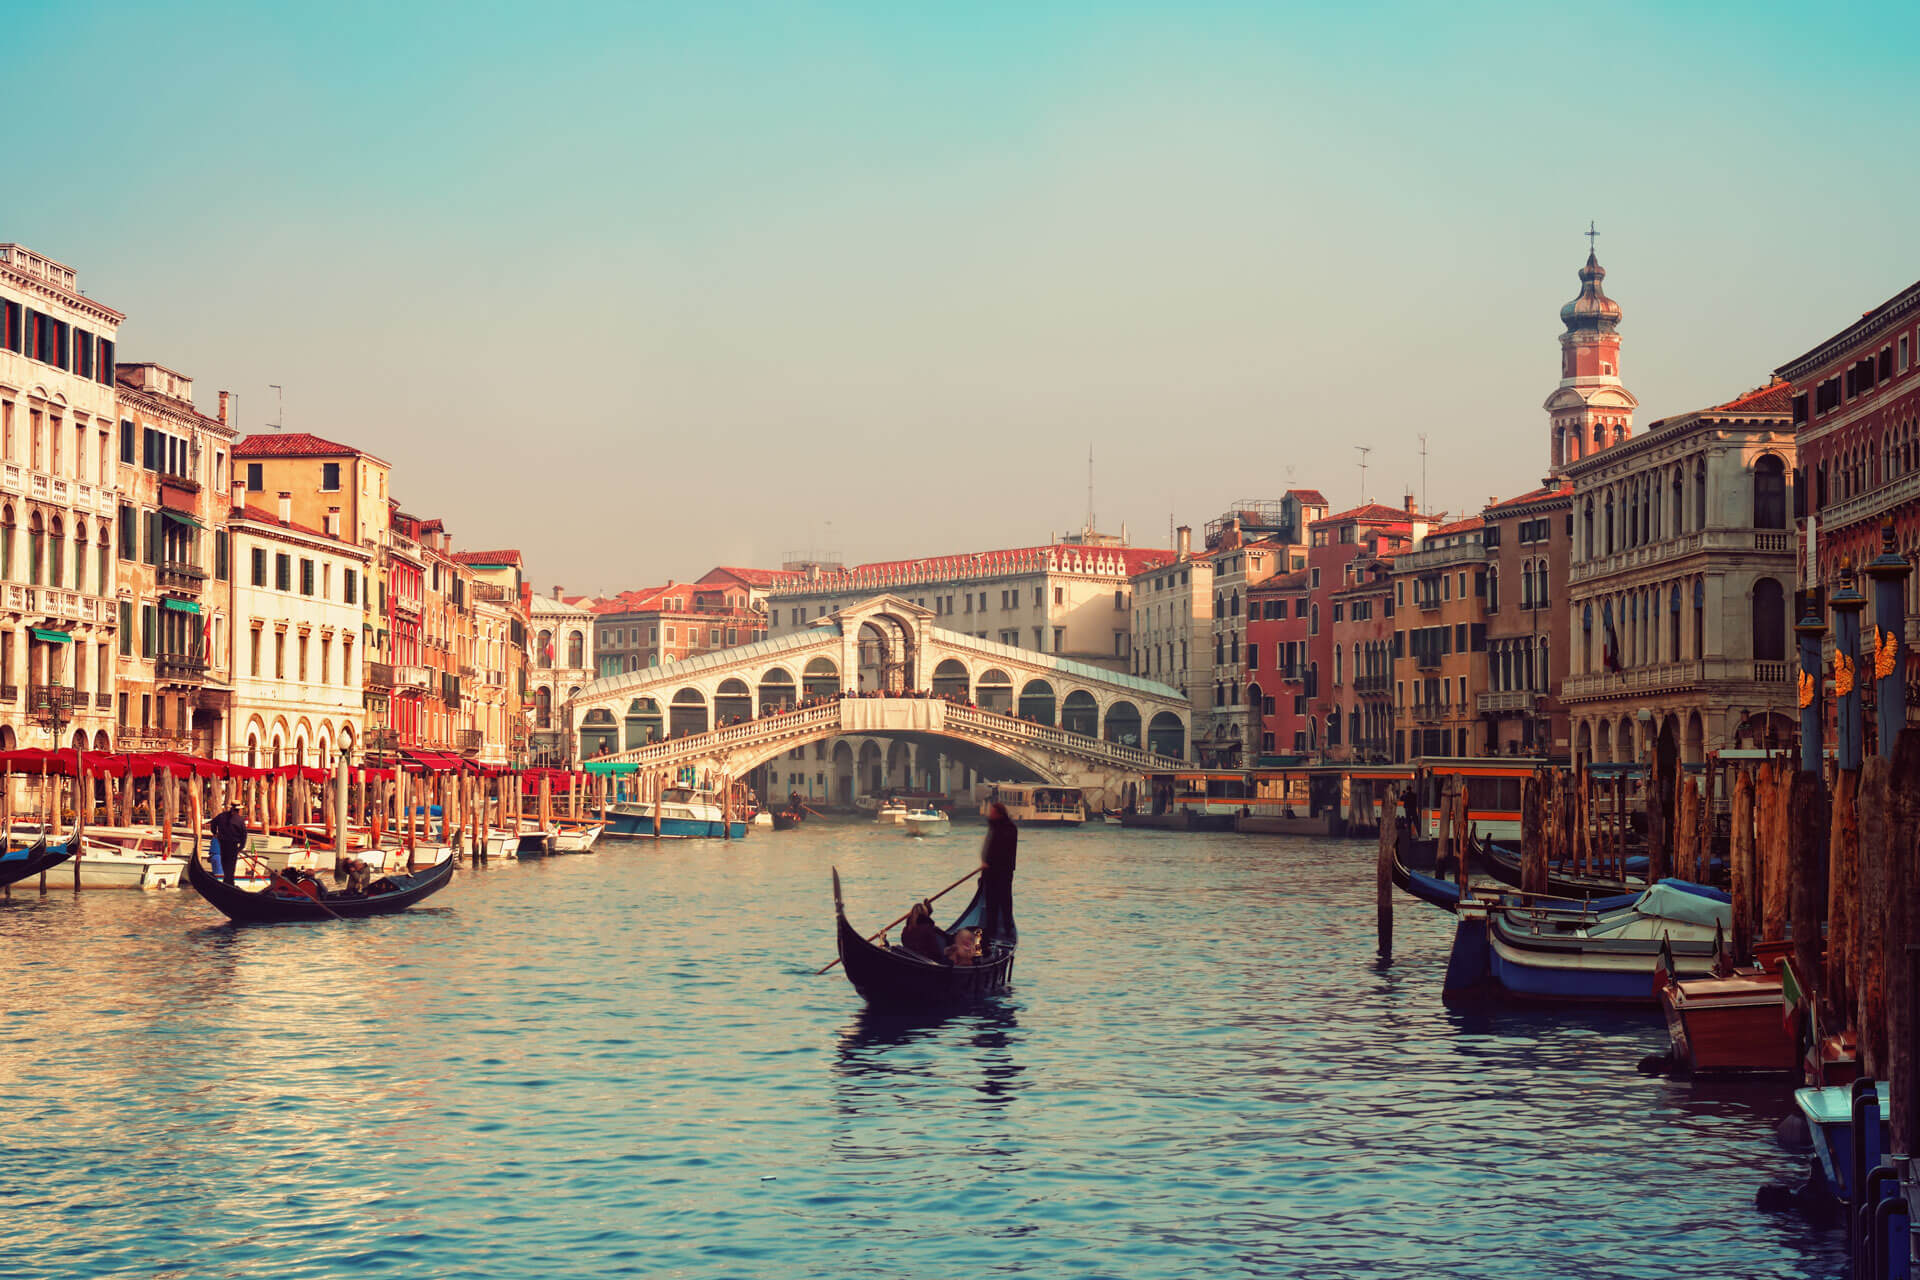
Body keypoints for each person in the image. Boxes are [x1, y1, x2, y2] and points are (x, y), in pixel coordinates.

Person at [978, 802, 1017, 950]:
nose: (990, 814)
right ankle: (990, 931)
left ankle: (1007, 929)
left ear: (1000, 813)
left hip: (1003, 871)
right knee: (991, 903)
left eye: (993, 812)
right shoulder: (994, 827)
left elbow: (1003, 849)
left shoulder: (1009, 829)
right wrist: (984, 861)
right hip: (989, 871)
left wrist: (990, 862)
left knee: (1005, 901)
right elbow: (988, 847)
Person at [211, 804, 249, 886]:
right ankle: (229, 883)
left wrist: (215, 833)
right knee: (231, 866)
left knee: (225, 863)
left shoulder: (221, 816)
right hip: (233, 845)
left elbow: (213, 823)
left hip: (223, 844)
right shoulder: (240, 820)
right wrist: (241, 847)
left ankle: (227, 882)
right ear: (238, 810)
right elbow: (244, 835)